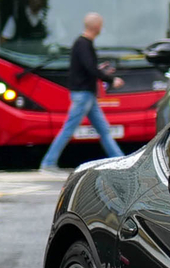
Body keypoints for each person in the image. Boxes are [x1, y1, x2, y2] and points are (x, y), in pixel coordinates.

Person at [41, 12, 124, 172]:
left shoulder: (81, 44)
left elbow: (85, 68)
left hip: (86, 94)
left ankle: (119, 161)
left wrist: (99, 71)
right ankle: (48, 163)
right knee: (69, 128)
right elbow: (89, 68)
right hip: (83, 94)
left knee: (103, 129)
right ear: (97, 27)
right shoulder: (83, 44)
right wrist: (111, 79)